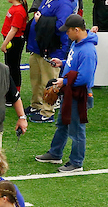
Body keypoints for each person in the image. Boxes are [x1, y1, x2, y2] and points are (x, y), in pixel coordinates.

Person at [36, 14, 97, 172]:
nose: (66, 33)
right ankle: (55, 153)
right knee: (62, 123)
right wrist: (62, 63)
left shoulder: (88, 51)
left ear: (77, 30)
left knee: (76, 129)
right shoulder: (77, 43)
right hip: (70, 92)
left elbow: (85, 77)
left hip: (79, 94)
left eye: (68, 31)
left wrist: (64, 81)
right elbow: (73, 65)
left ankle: (76, 162)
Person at [26, 0, 77, 123]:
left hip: (51, 49)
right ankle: (36, 105)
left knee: (48, 81)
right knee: (36, 79)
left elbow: (62, 27)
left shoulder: (64, 3)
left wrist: (41, 21)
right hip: (39, 47)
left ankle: (47, 112)